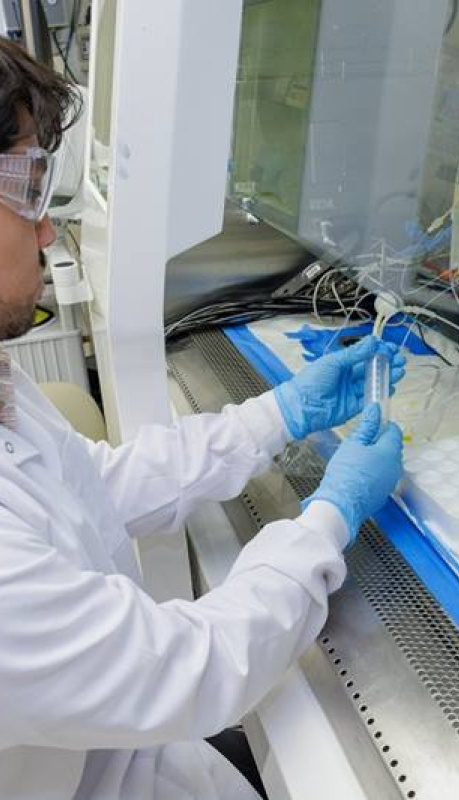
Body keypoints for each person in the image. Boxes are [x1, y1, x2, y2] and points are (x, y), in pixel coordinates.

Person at [0, 39, 405, 800]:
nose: (48, 230)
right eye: (25, 188)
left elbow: (91, 487)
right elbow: (193, 668)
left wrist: (277, 415)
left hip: (116, 755)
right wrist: (328, 519)